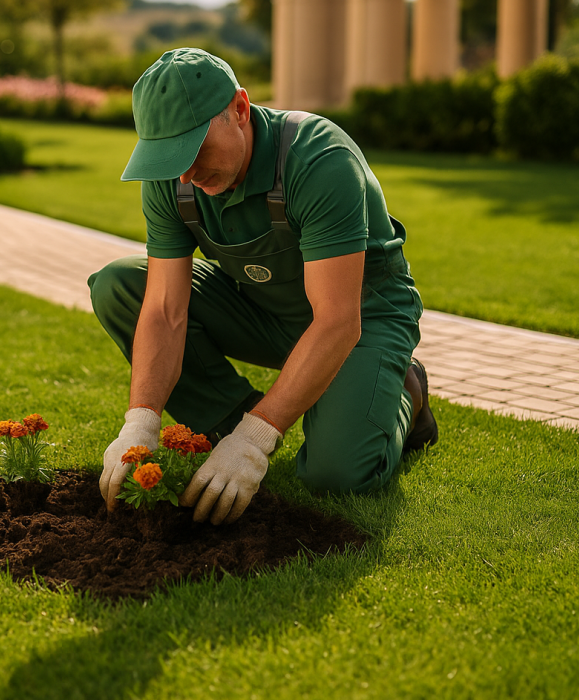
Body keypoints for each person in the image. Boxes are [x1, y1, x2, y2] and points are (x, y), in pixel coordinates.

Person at [89, 48, 438, 526]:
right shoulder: (171, 178)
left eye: (194, 150)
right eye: (170, 157)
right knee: (120, 284)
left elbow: (337, 319)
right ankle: (232, 422)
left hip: (359, 318)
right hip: (260, 309)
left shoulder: (318, 158)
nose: (186, 172)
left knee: (336, 475)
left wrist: (257, 440)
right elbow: (166, 309)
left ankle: (407, 391)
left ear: (240, 109)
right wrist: (141, 422)